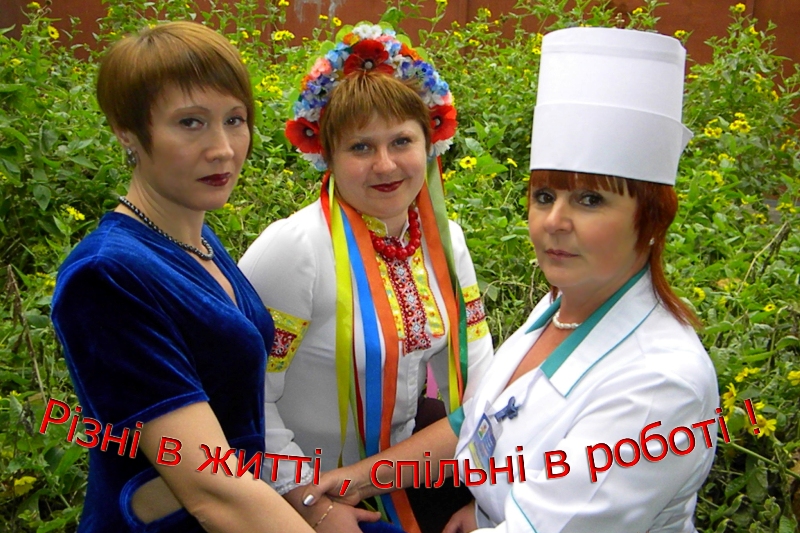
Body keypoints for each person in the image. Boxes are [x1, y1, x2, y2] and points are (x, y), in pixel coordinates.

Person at [302, 26, 720, 533]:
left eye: (590, 200)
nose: (555, 221)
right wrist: (361, 480)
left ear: (653, 219)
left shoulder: (658, 385)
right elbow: (482, 422)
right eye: (544, 197)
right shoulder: (562, 309)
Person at [50, 21, 316, 532]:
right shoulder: (107, 275)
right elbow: (212, 489)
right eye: (190, 123)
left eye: (235, 119)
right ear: (128, 132)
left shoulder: (195, 239)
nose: (223, 148)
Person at [238, 22, 493, 533]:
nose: (385, 164)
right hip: (299, 499)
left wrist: (489, 498)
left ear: (430, 144)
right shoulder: (293, 250)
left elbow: (481, 381)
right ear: (327, 157)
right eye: (360, 147)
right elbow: (245, 399)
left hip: (398, 479)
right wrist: (308, 502)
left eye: (402, 141)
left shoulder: (446, 243)